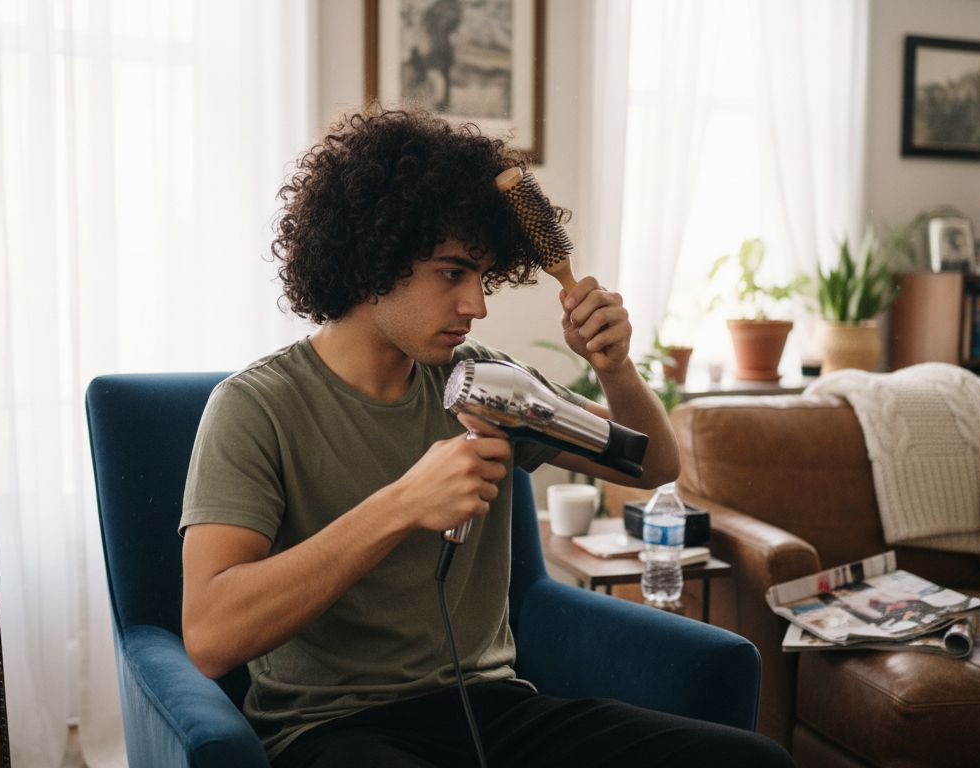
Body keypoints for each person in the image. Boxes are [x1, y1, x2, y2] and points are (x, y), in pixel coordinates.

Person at [180, 107, 793, 767]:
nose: (476, 304)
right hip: (333, 730)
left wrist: (615, 370)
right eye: (452, 273)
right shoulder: (255, 408)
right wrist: (403, 505)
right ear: (370, 261)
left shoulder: (489, 384)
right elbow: (212, 634)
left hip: (494, 710)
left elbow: (651, 467)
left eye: (482, 276)